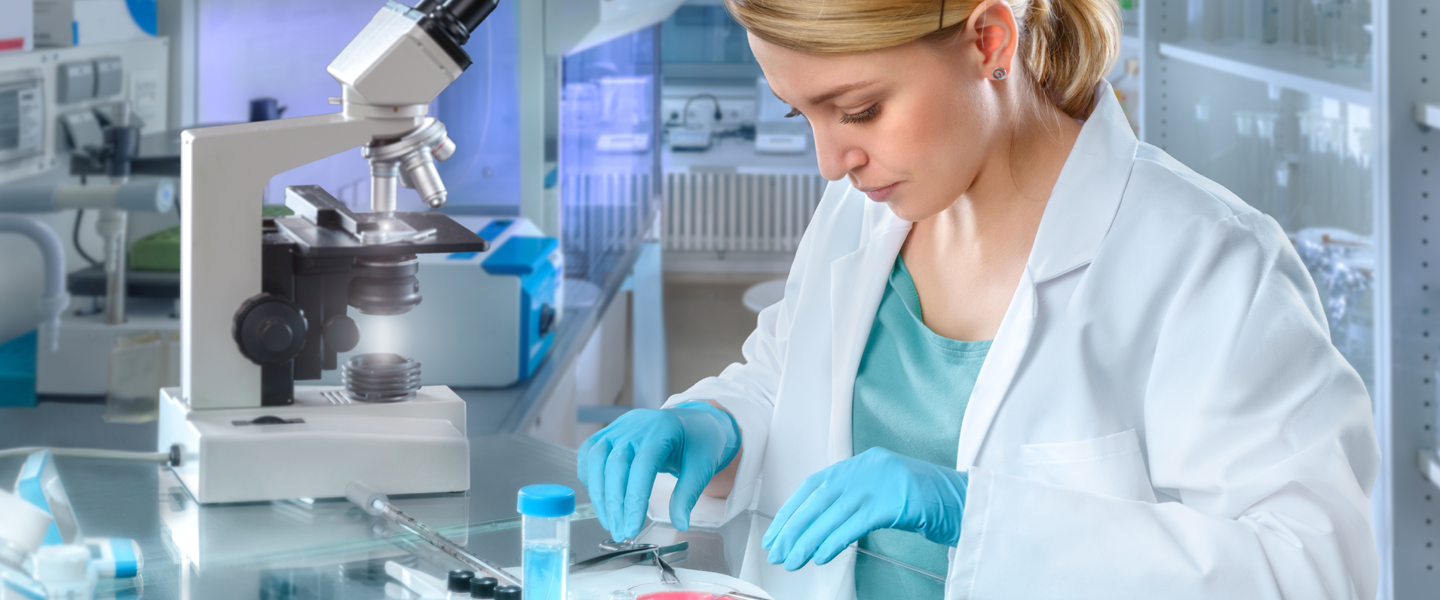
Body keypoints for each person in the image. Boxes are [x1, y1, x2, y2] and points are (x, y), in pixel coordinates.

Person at [578, 0, 1380, 597]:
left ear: (989, 40)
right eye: (803, 113)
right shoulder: (864, 212)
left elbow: (1313, 570)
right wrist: (712, 425)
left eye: (859, 109)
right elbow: (785, 382)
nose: (830, 161)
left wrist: (975, 512)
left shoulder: (1204, 261)